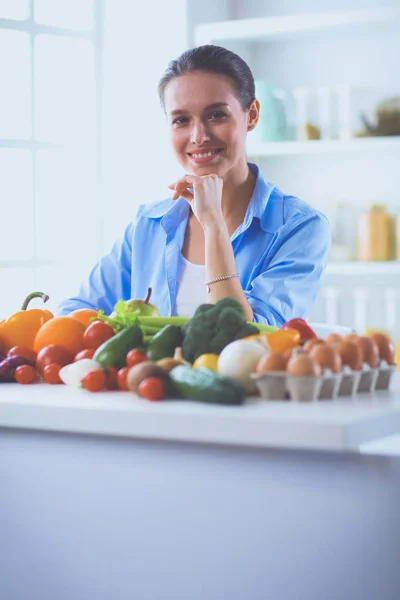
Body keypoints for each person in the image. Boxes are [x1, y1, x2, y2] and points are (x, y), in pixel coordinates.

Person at [57, 45, 330, 326]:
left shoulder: (299, 227)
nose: (198, 136)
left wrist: (213, 224)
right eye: (181, 120)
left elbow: (249, 339)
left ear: (252, 115)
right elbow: (74, 311)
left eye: (216, 115)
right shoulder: (148, 224)